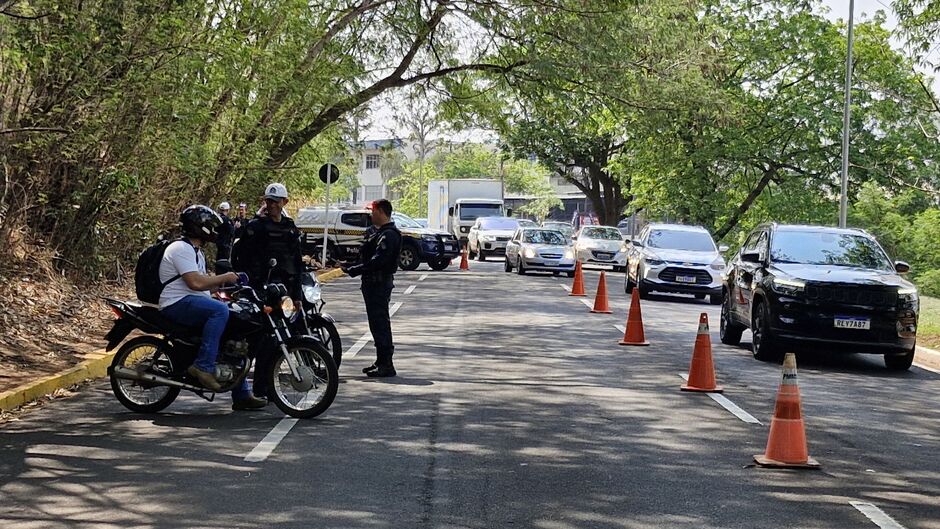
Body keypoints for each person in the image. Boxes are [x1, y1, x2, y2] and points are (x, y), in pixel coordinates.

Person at [158, 205, 268, 410]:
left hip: (191, 301)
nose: (213, 230)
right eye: (209, 225)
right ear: (198, 226)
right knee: (220, 311)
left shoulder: (196, 251)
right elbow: (195, 283)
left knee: (234, 321)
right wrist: (224, 278)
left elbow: (203, 286)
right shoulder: (180, 248)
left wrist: (224, 292)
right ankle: (203, 366)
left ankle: (242, 393)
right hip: (175, 303)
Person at [342, 199, 402, 378]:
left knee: (380, 324)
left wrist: (355, 270)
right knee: (376, 324)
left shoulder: (389, 235)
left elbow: (378, 261)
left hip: (379, 284)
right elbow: (366, 256)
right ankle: (380, 361)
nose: (371, 215)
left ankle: (386, 364)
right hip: (372, 284)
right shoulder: (379, 233)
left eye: (373, 211)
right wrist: (349, 265)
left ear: (382, 212)